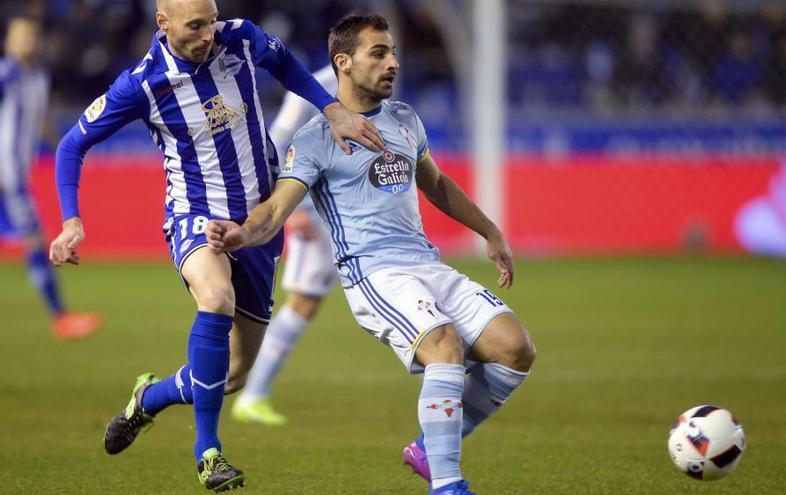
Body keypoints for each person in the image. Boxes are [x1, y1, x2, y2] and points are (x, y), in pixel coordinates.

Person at [48, 0, 383, 492]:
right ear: (163, 24)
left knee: (234, 374)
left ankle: (150, 399)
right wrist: (71, 219)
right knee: (216, 298)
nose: (209, 33)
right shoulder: (142, 83)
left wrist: (333, 111)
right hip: (195, 216)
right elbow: (71, 145)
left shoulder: (241, 37)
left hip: (259, 220)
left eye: (211, 20)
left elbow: (286, 63)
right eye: (196, 26)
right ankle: (209, 452)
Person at [207, 14, 536, 495]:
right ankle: (447, 484)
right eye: (378, 53)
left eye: (393, 52)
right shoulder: (316, 137)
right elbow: (276, 207)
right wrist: (242, 233)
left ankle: (429, 447)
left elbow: (437, 185)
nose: (393, 63)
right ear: (343, 62)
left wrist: (489, 230)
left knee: (515, 348)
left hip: (427, 264)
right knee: (443, 346)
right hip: (374, 275)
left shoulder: (405, 118)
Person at [231, 64, 339, 426]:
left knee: (309, 302)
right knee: (303, 302)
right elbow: (276, 141)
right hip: (316, 210)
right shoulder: (317, 86)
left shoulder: (368, 82)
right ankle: (252, 393)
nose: (389, 60)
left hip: (340, 207)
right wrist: (294, 209)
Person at [0, 16, 102, 340]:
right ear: (7, 43)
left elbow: (40, 119)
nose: (28, 41)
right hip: (7, 173)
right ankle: (60, 316)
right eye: (21, 36)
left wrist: (64, 148)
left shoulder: (38, 76)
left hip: (16, 171)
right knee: (34, 239)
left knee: (33, 239)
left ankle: (60, 316)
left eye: (32, 35)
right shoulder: (7, 74)